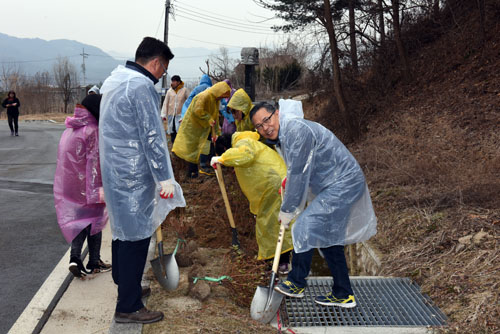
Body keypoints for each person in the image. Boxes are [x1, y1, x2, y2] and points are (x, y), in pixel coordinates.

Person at [250, 100, 377, 308]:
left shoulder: (295, 130)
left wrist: (288, 210)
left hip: (343, 183)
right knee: (329, 240)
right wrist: (289, 183)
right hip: (336, 185)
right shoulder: (287, 133)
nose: (265, 128)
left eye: (267, 120)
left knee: (304, 226)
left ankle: (297, 282)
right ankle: (343, 294)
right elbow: (298, 169)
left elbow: (299, 173)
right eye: (259, 126)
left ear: (277, 113)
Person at [99, 37, 186, 324]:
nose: (162, 74)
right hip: (133, 175)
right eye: (164, 68)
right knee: (136, 237)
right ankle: (128, 306)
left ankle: (128, 287)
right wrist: (164, 177)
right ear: (157, 63)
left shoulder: (115, 79)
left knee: (122, 232)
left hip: (115, 172)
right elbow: (152, 135)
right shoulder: (140, 86)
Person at [211, 131, 293, 273]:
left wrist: (223, 159)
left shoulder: (243, 143)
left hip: (274, 185)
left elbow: (245, 155)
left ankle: (276, 265)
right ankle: (281, 263)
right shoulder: (249, 141)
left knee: (270, 225)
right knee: (276, 223)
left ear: (226, 148)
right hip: (276, 182)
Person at [54, 94, 111, 278]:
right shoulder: (92, 130)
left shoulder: (70, 128)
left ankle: (75, 257)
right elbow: (94, 162)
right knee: (95, 221)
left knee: (80, 220)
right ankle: (94, 262)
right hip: (89, 184)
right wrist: (98, 188)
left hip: (70, 186)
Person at [172, 81, 231, 171]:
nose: (221, 98)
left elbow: (215, 116)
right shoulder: (205, 96)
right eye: (221, 96)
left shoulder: (215, 99)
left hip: (203, 127)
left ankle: (204, 166)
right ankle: (192, 171)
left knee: (205, 146)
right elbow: (198, 110)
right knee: (192, 149)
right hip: (193, 126)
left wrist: (216, 132)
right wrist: (209, 119)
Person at [179, 74, 213, 178]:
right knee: (206, 142)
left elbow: (187, 103)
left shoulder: (196, 89)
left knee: (193, 144)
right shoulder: (210, 89)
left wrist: (184, 116)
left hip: (193, 121)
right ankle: (203, 164)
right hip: (206, 121)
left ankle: (192, 170)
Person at [160, 75, 189, 143]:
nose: (172, 83)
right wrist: (163, 114)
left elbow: (189, 101)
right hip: (171, 115)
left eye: (174, 81)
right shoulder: (170, 91)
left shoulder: (184, 90)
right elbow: (165, 103)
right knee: (172, 131)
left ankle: (179, 147)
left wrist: (187, 112)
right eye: (172, 81)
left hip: (180, 115)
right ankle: (174, 146)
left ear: (178, 82)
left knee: (180, 131)